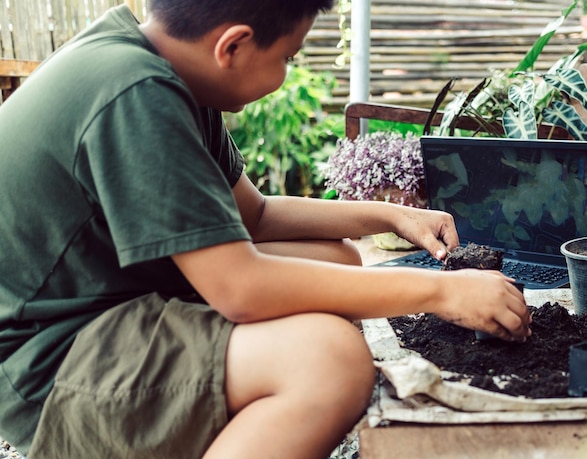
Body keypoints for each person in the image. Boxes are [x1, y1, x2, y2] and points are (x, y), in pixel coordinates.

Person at [0, 1, 531, 458]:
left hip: (101, 306)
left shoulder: (159, 68)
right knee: (329, 362)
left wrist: (391, 215)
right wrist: (440, 290)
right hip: (46, 367)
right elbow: (241, 290)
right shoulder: (136, 94)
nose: (284, 73)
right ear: (232, 45)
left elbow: (251, 216)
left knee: (335, 257)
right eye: (287, 58)